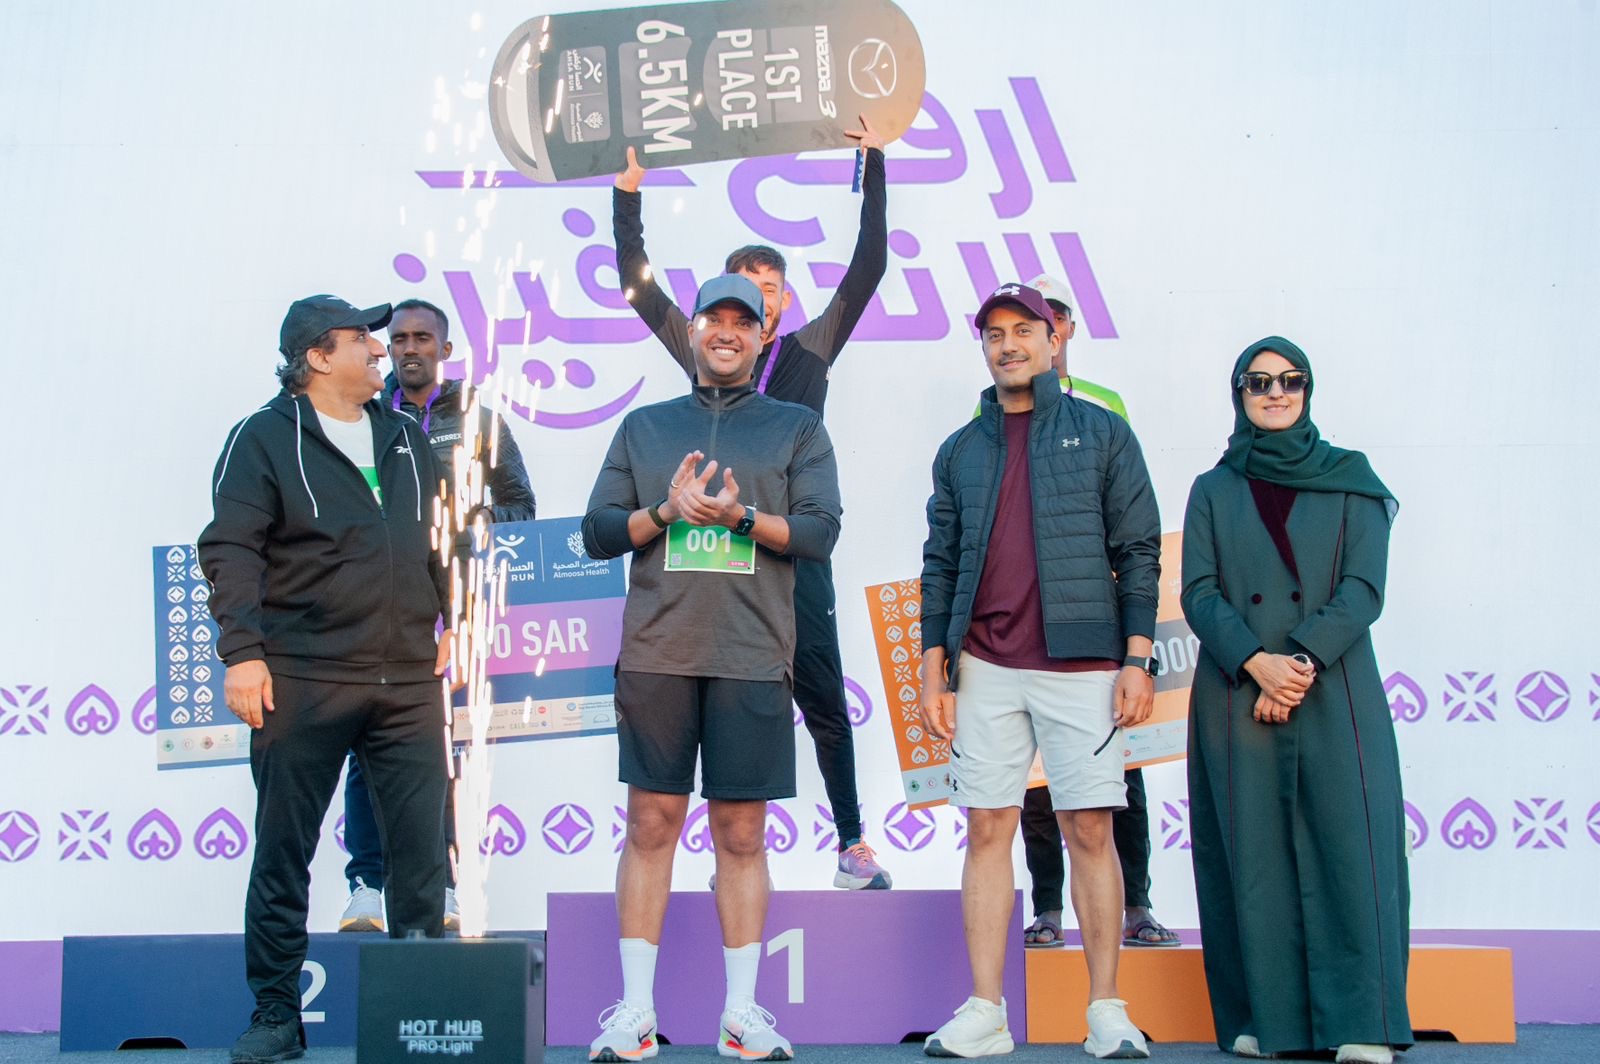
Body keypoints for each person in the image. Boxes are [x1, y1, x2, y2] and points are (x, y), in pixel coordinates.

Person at [612, 119, 892, 890]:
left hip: (788, 550)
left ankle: (852, 844)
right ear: (718, 303)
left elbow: (868, 267)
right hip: (710, 566)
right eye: (742, 290)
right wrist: (627, 196)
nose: (756, 305)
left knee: (823, 695)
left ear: (784, 301)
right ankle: (727, 864)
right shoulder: (704, 348)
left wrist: (872, 164)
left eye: (769, 292)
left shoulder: (811, 349)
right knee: (715, 709)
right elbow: (637, 284)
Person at [581, 275, 841, 1062]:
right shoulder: (644, 426)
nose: (727, 331)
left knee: (741, 832)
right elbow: (597, 532)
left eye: (743, 321)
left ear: (763, 338)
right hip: (658, 653)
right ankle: (634, 1013)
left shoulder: (797, 427)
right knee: (650, 824)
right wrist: (667, 511)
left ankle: (741, 1014)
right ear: (692, 332)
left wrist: (740, 518)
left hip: (752, 656)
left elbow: (820, 532)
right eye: (714, 319)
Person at [199, 295, 453, 1063]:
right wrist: (243, 653)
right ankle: (277, 1014)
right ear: (316, 356)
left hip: (407, 679)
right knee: (284, 852)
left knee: (421, 858)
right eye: (361, 340)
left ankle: (420, 1016)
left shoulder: (406, 437)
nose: (379, 350)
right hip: (302, 676)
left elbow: (444, 536)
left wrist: (457, 616)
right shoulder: (262, 437)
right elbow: (231, 547)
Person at [919, 283, 1160, 1059]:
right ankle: (985, 1011)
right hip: (984, 665)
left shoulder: (1103, 432)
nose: (1010, 345)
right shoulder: (960, 449)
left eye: (1025, 330)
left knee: (1089, 826)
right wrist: (933, 666)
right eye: (995, 334)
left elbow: (1138, 551)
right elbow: (940, 562)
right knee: (986, 827)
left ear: (1055, 340)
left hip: (1084, 665)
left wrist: (1137, 658)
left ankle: (1106, 1011)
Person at [1180, 337, 1409, 1064]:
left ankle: (1362, 1023)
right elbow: (1198, 592)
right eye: (1258, 382)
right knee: (1250, 856)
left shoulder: (1353, 479)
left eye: (1290, 380)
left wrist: (1298, 665)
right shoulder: (1212, 488)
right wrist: (1258, 663)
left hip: (1334, 687)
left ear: (1308, 390)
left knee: (1350, 847)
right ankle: (1262, 1020)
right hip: (1236, 690)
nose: (1275, 392)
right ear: (1239, 393)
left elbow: (1364, 589)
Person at [339, 297, 536, 934]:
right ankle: (366, 886)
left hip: (454, 611)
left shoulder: (477, 416)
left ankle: (444, 885)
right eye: (399, 339)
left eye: (423, 338)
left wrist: (473, 520)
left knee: (439, 752)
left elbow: (522, 505)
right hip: (378, 605)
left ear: (445, 350)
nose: (409, 349)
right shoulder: (364, 415)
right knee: (364, 747)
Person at [1013, 275, 1179, 952]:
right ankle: (1047, 907)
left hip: (1095, 615)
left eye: (1053, 315)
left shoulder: (1106, 404)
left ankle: (1137, 903)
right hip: (1027, 621)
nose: (1044, 328)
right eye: (1028, 319)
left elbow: (1126, 508)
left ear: (1067, 329)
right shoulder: (989, 407)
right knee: (1036, 781)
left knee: (1122, 769)